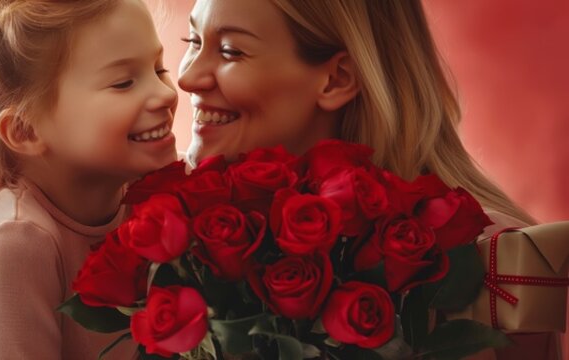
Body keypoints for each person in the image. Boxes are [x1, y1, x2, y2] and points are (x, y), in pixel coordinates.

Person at [177, 0, 556, 358]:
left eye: (230, 51)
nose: (186, 77)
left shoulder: (492, 267)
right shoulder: (181, 241)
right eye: (192, 41)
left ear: (337, 79)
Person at [0, 0, 179, 358]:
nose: (166, 94)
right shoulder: (15, 243)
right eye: (124, 83)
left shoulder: (148, 193)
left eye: (159, 69)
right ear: (24, 130)